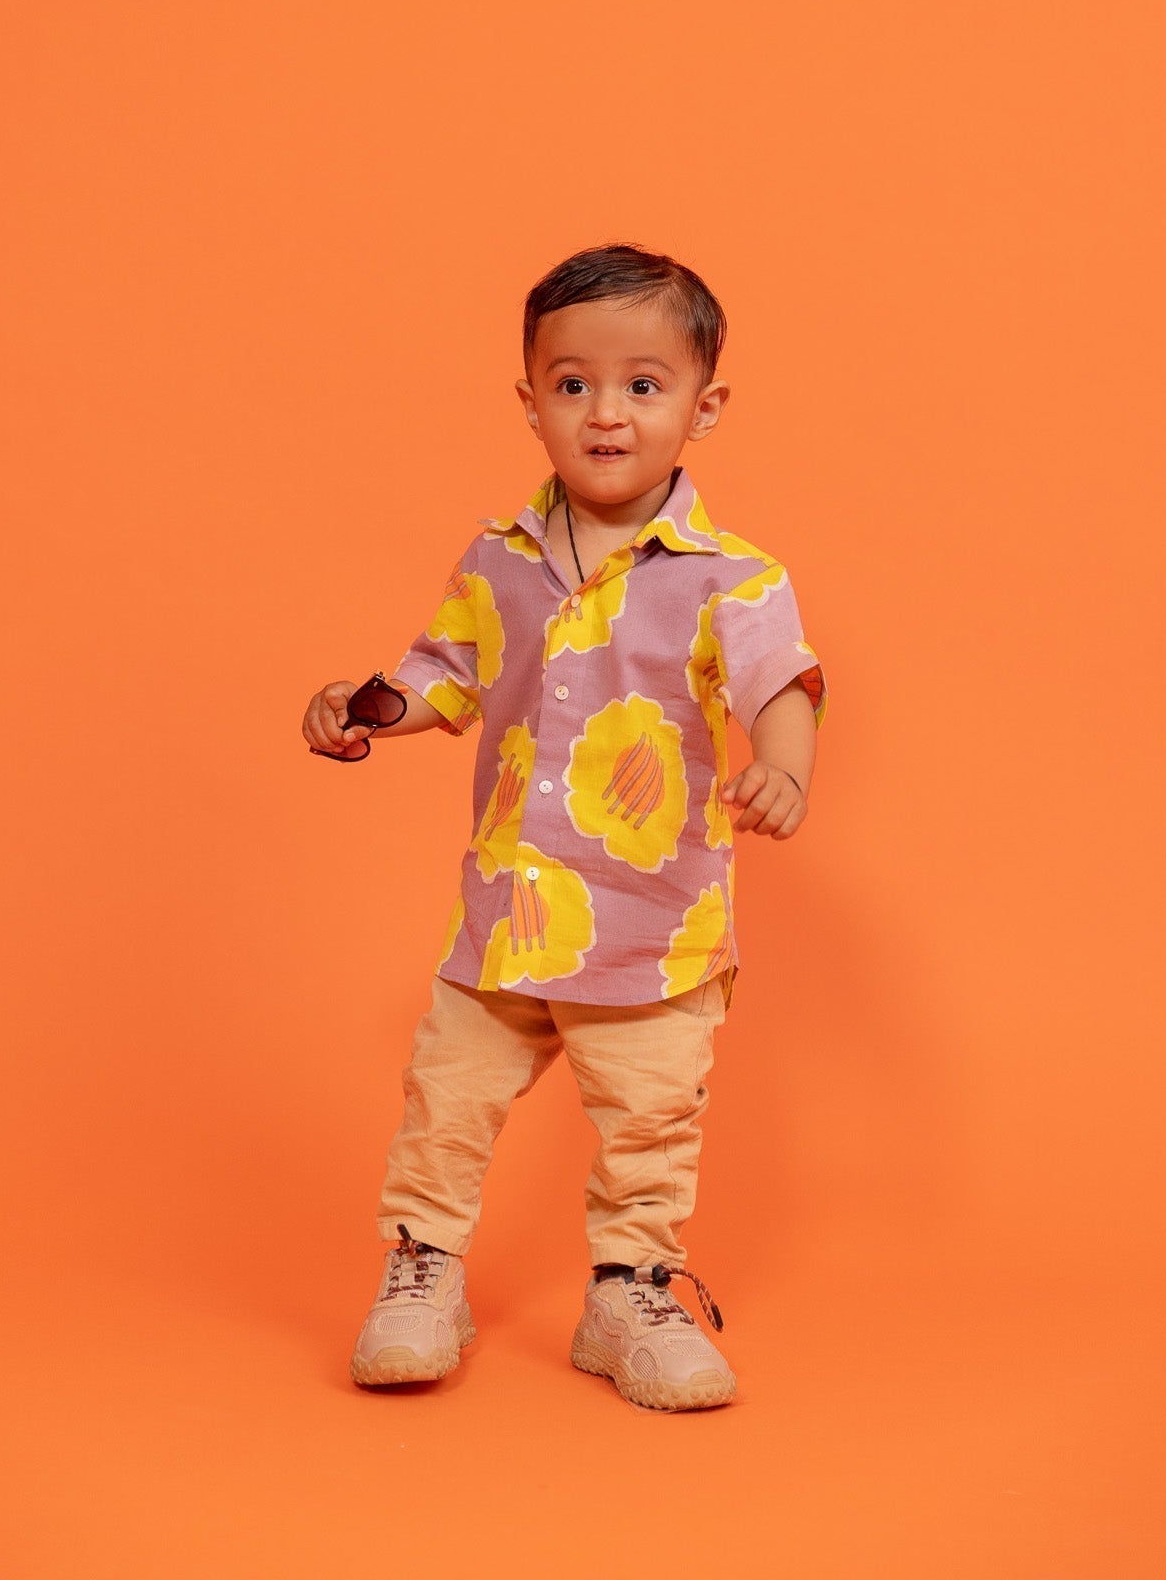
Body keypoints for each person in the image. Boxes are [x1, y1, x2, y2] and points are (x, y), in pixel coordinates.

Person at [301, 242, 828, 1412]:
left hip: (651, 928)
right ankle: (422, 1271)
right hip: (506, 911)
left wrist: (783, 767)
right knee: (445, 1101)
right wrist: (368, 707)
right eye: (573, 382)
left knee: (648, 1123)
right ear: (530, 399)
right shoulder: (498, 557)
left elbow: (777, 681)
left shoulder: (730, 575)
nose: (605, 411)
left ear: (703, 408)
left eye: (643, 384)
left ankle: (628, 1290)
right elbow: (445, 671)